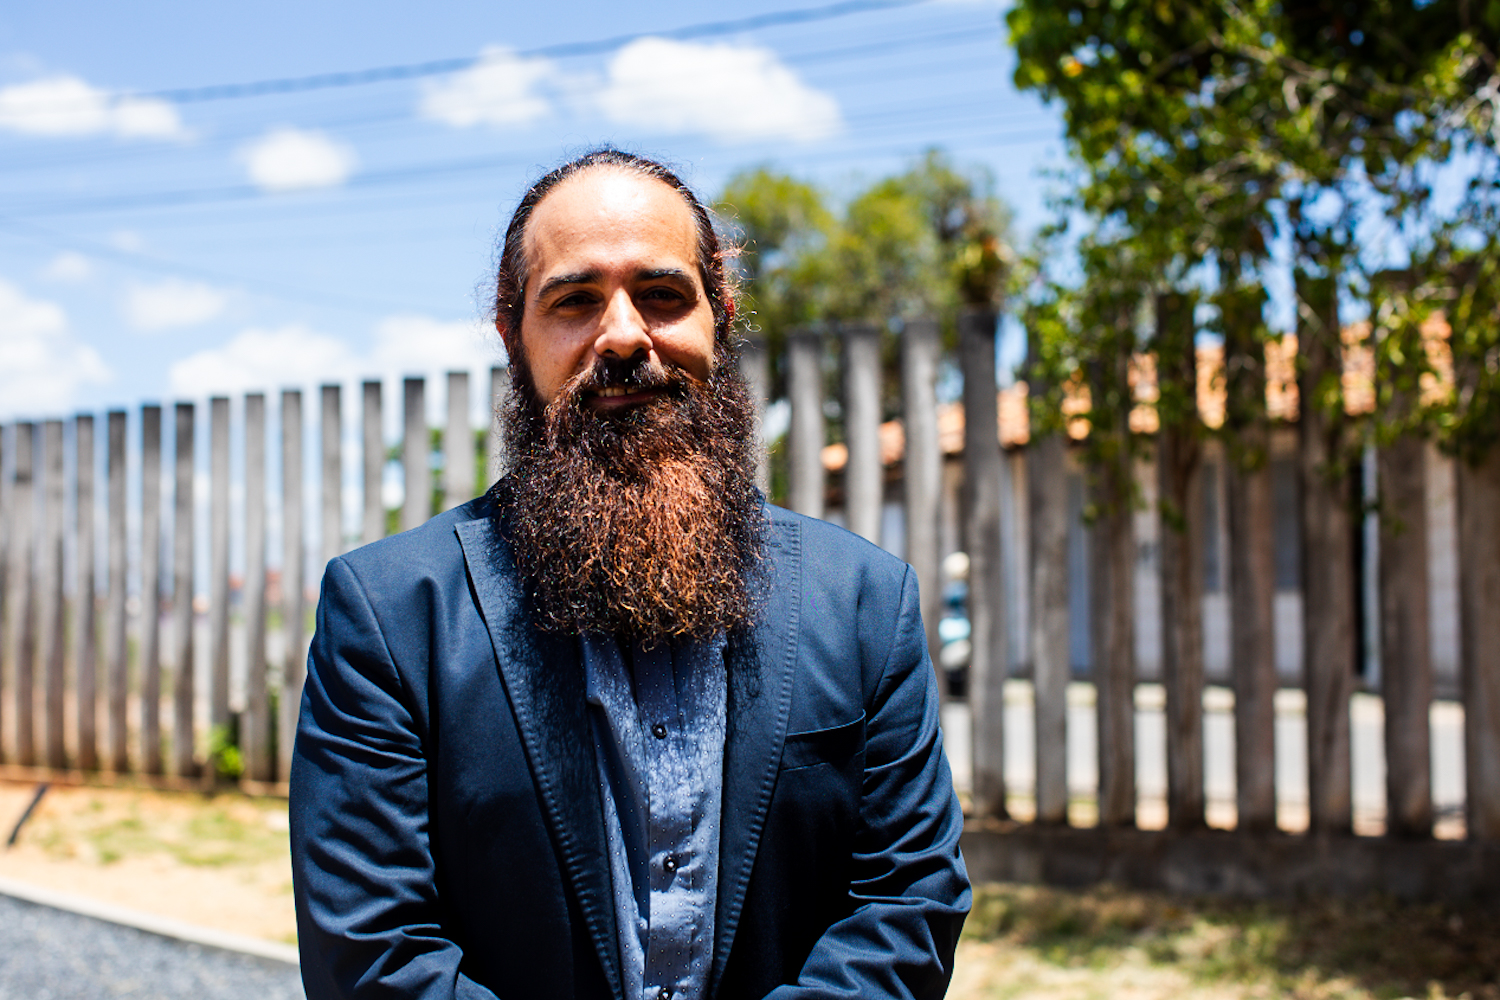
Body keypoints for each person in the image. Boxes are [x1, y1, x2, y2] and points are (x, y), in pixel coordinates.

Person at [289, 148, 969, 1000]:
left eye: (661, 295)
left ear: (717, 316)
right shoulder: (390, 618)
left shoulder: (866, 604)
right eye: (574, 300)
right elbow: (372, 957)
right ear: (513, 334)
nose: (621, 335)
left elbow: (906, 908)